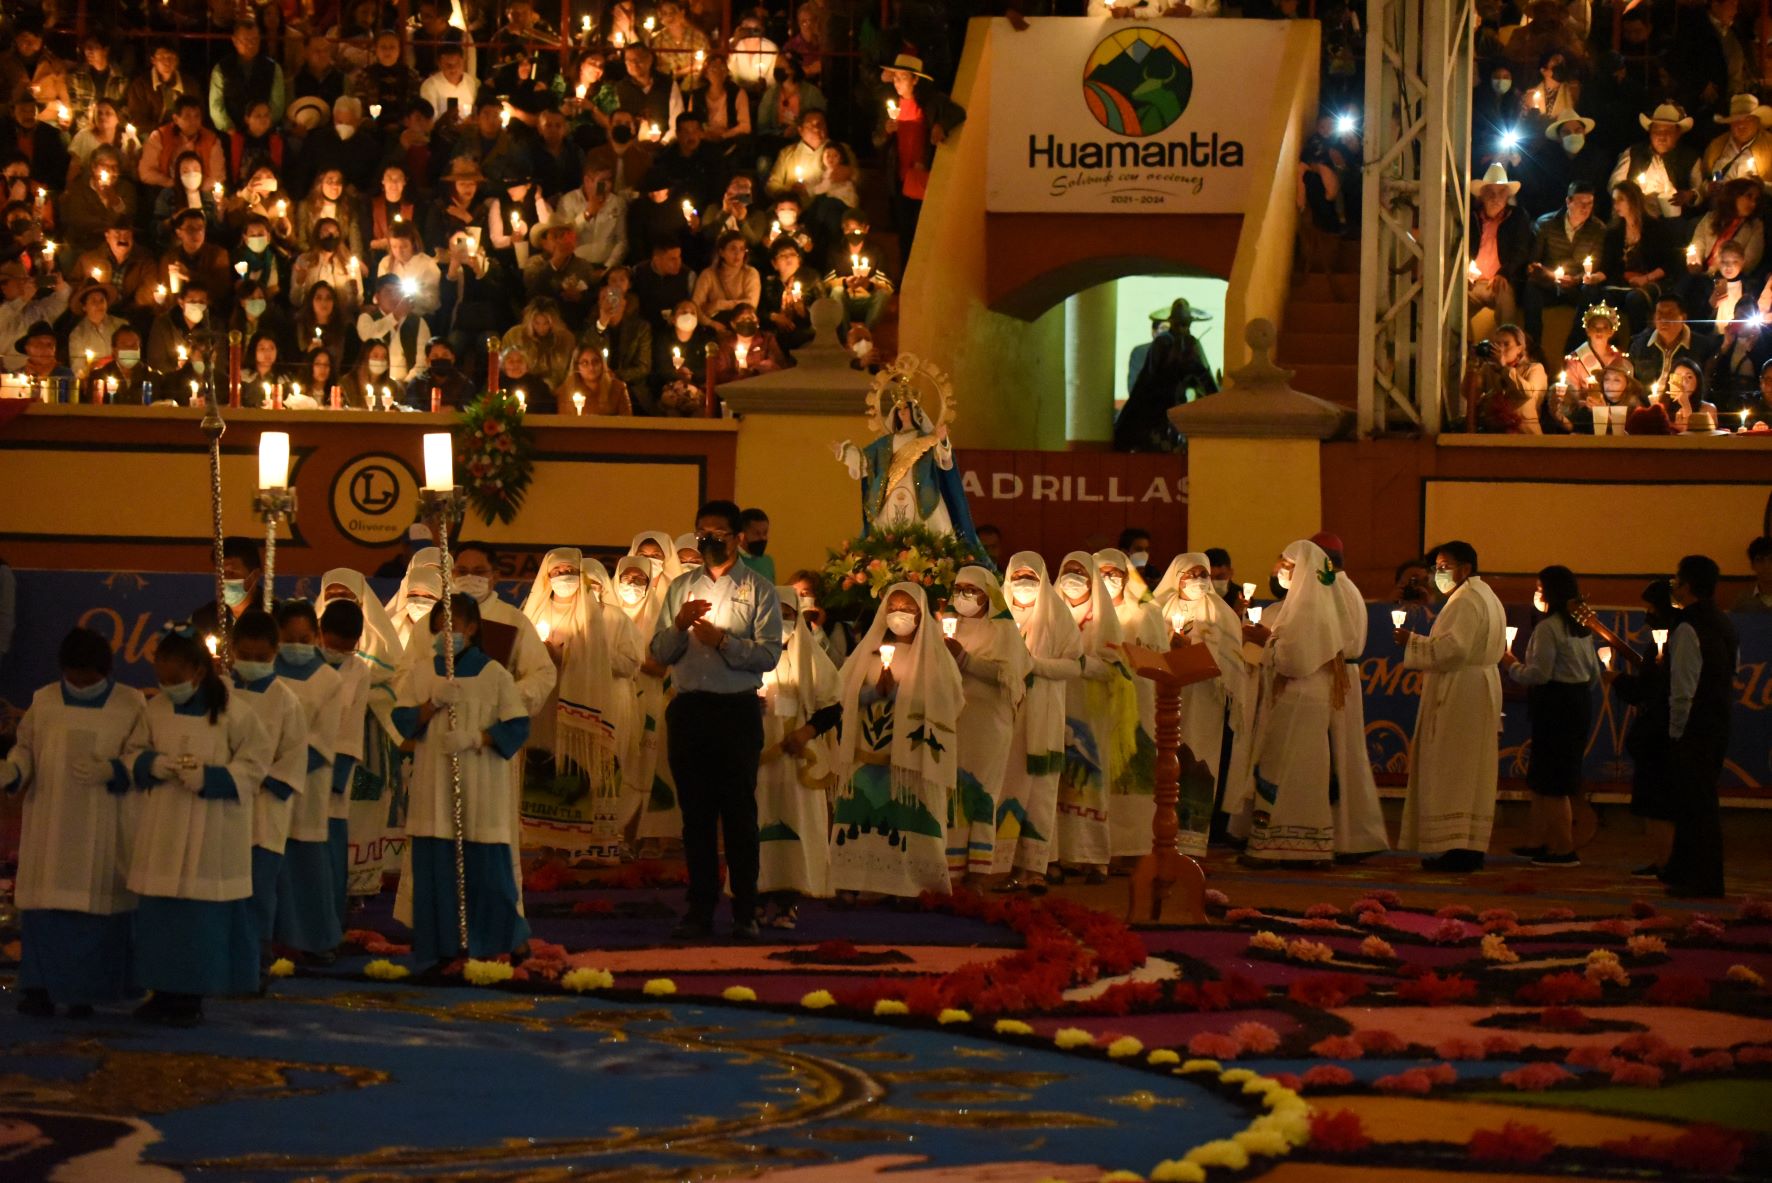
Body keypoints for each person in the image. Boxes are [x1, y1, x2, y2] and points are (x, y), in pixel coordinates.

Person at [647, 500, 783, 939]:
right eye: (701, 532)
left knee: (739, 814)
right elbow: (659, 652)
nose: (708, 539)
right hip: (689, 710)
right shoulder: (680, 587)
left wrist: (724, 642)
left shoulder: (759, 589)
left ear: (737, 538)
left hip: (736, 711)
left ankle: (745, 910)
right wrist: (679, 626)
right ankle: (700, 909)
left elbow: (769, 655)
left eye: (718, 533)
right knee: (696, 816)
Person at [2, 627, 147, 1017]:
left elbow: (141, 756)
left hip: (104, 820)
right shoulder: (45, 700)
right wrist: (14, 770)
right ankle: (40, 987)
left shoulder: (131, 703)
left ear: (105, 671)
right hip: (51, 819)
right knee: (46, 904)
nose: (81, 685)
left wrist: (113, 769)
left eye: (88, 678)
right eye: (74, 677)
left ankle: (87, 991)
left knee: (96, 908)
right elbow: (27, 747)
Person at [128, 625, 269, 1026]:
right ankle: (162, 990)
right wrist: (152, 764)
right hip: (165, 826)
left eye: (175, 679)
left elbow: (256, 764)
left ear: (198, 672)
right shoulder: (155, 710)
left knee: (199, 919)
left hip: (212, 828)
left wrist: (211, 778)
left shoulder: (236, 714)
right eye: (161, 680)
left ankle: (190, 995)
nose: (167, 687)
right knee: (161, 916)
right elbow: (133, 751)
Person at [393, 594, 533, 966]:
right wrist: (431, 705)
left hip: (480, 781)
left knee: (487, 869)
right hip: (434, 784)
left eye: (453, 624)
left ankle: (505, 940)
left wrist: (477, 738)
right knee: (436, 870)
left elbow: (517, 726)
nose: (446, 632)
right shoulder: (423, 673)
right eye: (439, 625)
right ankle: (440, 945)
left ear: (471, 628)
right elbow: (403, 720)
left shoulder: (494, 674)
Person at [830, 582, 963, 900]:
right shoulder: (868, 653)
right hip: (867, 752)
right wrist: (873, 693)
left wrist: (901, 695)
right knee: (860, 815)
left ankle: (909, 886)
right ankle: (850, 881)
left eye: (907, 608)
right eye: (893, 608)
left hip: (912, 760)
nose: (899, 614)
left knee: (907, 818)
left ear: (921, 614)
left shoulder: (935, 658)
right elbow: (841, 694)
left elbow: (951, 701)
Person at [519, 549, 642, 857]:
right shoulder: (534, 613)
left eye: (570, 571)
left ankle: (580, 847)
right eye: (557, 572)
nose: (564, 577)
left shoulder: (593, 614)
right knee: (544, 764)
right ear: (546, 578)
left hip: (581, 704)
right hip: (545, 704)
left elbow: (600, 657)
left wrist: (566, 656)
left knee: (580, 769)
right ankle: (547, 846)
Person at [1395, 541, 1508, 872]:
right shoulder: (1485, 595)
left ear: (1466, 568)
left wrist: (1412, 641)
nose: (1437, 574)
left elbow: (1454, 650)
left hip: (1461, 690)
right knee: (1471, 770)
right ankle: (1468, 845)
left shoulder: (1466, 601)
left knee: (1453, 766)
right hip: (1478, 686)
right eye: (1436, 568)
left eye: (1444, 567)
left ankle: (1456, 847)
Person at [1233, 540, 1346, 867]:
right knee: (1306, 768)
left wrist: (1266, 640)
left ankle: (1273, 846)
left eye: (1285, 565)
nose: (1278, 570)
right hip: (1310, 696)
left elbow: (1294, 661)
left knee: (1279, 765)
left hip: (1297, 696)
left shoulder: (1305, 608)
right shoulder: (1320, 603)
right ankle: (1308, 845)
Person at [1152, 553, 1253, 855]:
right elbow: (1144, 646)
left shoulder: (1222, 614)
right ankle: (1154, 835)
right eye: (1191, 574)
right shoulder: (1157, 609)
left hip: (1205, 698)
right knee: (1161, 759)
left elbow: (1232, 660)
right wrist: (1170, 646)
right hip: (1164, 694)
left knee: (1198, 761)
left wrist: (1197, 653)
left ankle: (1190, 841)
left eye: (1203, 575)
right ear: (1177, 577)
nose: (1198, 580)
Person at [993, 552, 1083, 889]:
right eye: (1018, 577)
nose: (1023, 583)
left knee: (1041, 792)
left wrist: (1034, 665)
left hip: (1043, 715)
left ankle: (1034, 868)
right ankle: (1006, 866)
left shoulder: (1056, 615)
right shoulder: (997, 615)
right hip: (1005, 714)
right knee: (1006, 788)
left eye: (1030, 577)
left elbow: (1074, 665)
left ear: (1043, 580)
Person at [1502, 565, 1600, 867]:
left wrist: (1510, 663)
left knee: (1553, 781)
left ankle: (1564, 849)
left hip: (1555, 705)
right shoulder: (1581, 628)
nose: (1537, 594)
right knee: (1548, 777)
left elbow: (1539, 674)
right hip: (1577, 703)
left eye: (1540, 589)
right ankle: (1540, 841)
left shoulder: (1549, 628)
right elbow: (1594, 675)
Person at [756, 584, 843, 923]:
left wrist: (805, 733)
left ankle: (788, 900)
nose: (781, 621)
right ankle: (755, 897)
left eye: (788, 615)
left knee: (797, 825)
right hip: (759, 759)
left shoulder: (813, 660)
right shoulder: (747, 656)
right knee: (756, 822)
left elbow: (832, 707)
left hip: (797, 758)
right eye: (773, 614)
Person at [227, 610, 309, 959]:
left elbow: (293, 759)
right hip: (224, 807)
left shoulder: (286, 701)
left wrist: (249, 777)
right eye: (245, 656)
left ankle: (256, 962)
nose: (252, 663)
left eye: (261, 658)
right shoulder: (220, 692)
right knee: (224, 890)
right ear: (232, 649)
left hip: (264, 811)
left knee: (259, 891)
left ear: (275, 653)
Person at [269, 600, 346, 963]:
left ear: (316, 636)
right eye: (289, 638)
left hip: (305, 784)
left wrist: (281, 770)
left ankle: (316, 940)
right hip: (264, 784)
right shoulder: (264, 672)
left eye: (304, 638)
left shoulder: (329, 680)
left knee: (307, 866)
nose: (297, 645)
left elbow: (322, 740)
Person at [945, 565, 1032, 883]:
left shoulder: (1003, 630)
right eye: (959, 590)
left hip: (989, 722)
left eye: (971, 590)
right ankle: (950, 866)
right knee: (952, 790)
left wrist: (965, 659)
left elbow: (1010, 676)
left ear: (988, 595)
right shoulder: (948, 626)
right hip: (954, 720)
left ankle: (978, 871)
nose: (964, 596)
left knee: (981, 790)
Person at [1661, 554, 1740, 899]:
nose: (1675, 587)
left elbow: (1683, 688)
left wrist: (1676, 731)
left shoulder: (1687, 626)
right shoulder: (1724, 622)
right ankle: (1685, 872)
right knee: (1700, 799)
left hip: (1694, 726)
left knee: (1695, 804)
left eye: (1677, 581)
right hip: (1718, 720)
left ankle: (1702, 879)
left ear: (1687, 586)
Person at [1312, 533, 1391, 861]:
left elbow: (1331, 638)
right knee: (1344, 753)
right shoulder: (1345, 587)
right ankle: (1349, 833)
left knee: (1339, 753)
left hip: (1336, 675)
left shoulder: (1335, 589)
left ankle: (1349, 836)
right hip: (1342, 675)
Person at [1095, 548, 1167, 863]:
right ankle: (1099, 847)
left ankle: (1135, 845)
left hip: (1137, 698)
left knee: (1135, 770)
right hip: (1097, 698)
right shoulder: (1086, 611)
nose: (1109, 578)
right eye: (1103, 573)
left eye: (1115, 573)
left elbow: (1157, 657)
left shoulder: (1145, 612)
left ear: (1126, 577)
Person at [1607, 580, 1679, 877]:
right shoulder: (1674, 639)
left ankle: (1667, 861)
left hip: (1659, 731)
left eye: (1651, 608)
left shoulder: (1674, 643)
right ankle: (1663, 859)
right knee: (1657, 800)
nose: (1647, 615)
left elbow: (1650, 689)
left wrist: (1617, 680)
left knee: (1658, 801)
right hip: (1661, 728)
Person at [1114, 298, 1217, 452]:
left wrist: (1214, 396)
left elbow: (1204, 374)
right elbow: (1151, 374)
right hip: (1157, 404)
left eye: (1185, 324)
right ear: (1172, 322)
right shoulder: (1162, 342)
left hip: (1183, 401)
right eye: (1179, 324)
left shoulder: (1192, 342)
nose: (1182, 328)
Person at [1522, 181, 1607, 343]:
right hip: (1550, 284)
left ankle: (1575, 345)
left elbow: (1595, 265)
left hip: (1578, 287)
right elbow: (1533, 262)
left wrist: (1576, 279)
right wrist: (1548, 274)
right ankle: (1532, 345)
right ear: (1568, 201)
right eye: (1581, 203)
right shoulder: (1546, 224)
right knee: (1531, 288)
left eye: (1590, 203)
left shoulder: (1597, 229)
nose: (1585, 208)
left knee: (1592, 291)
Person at [1734, 535, 1772, 612]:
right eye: (1760, 560)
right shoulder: (1743, 600)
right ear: (1752, 565)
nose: (1766, 566)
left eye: (1771, 559)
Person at [737, 507, 775, 581]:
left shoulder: (768, 562)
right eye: (757, 533)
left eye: (765, 533)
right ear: (742, 535)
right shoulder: (732, 562)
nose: (762, 538)